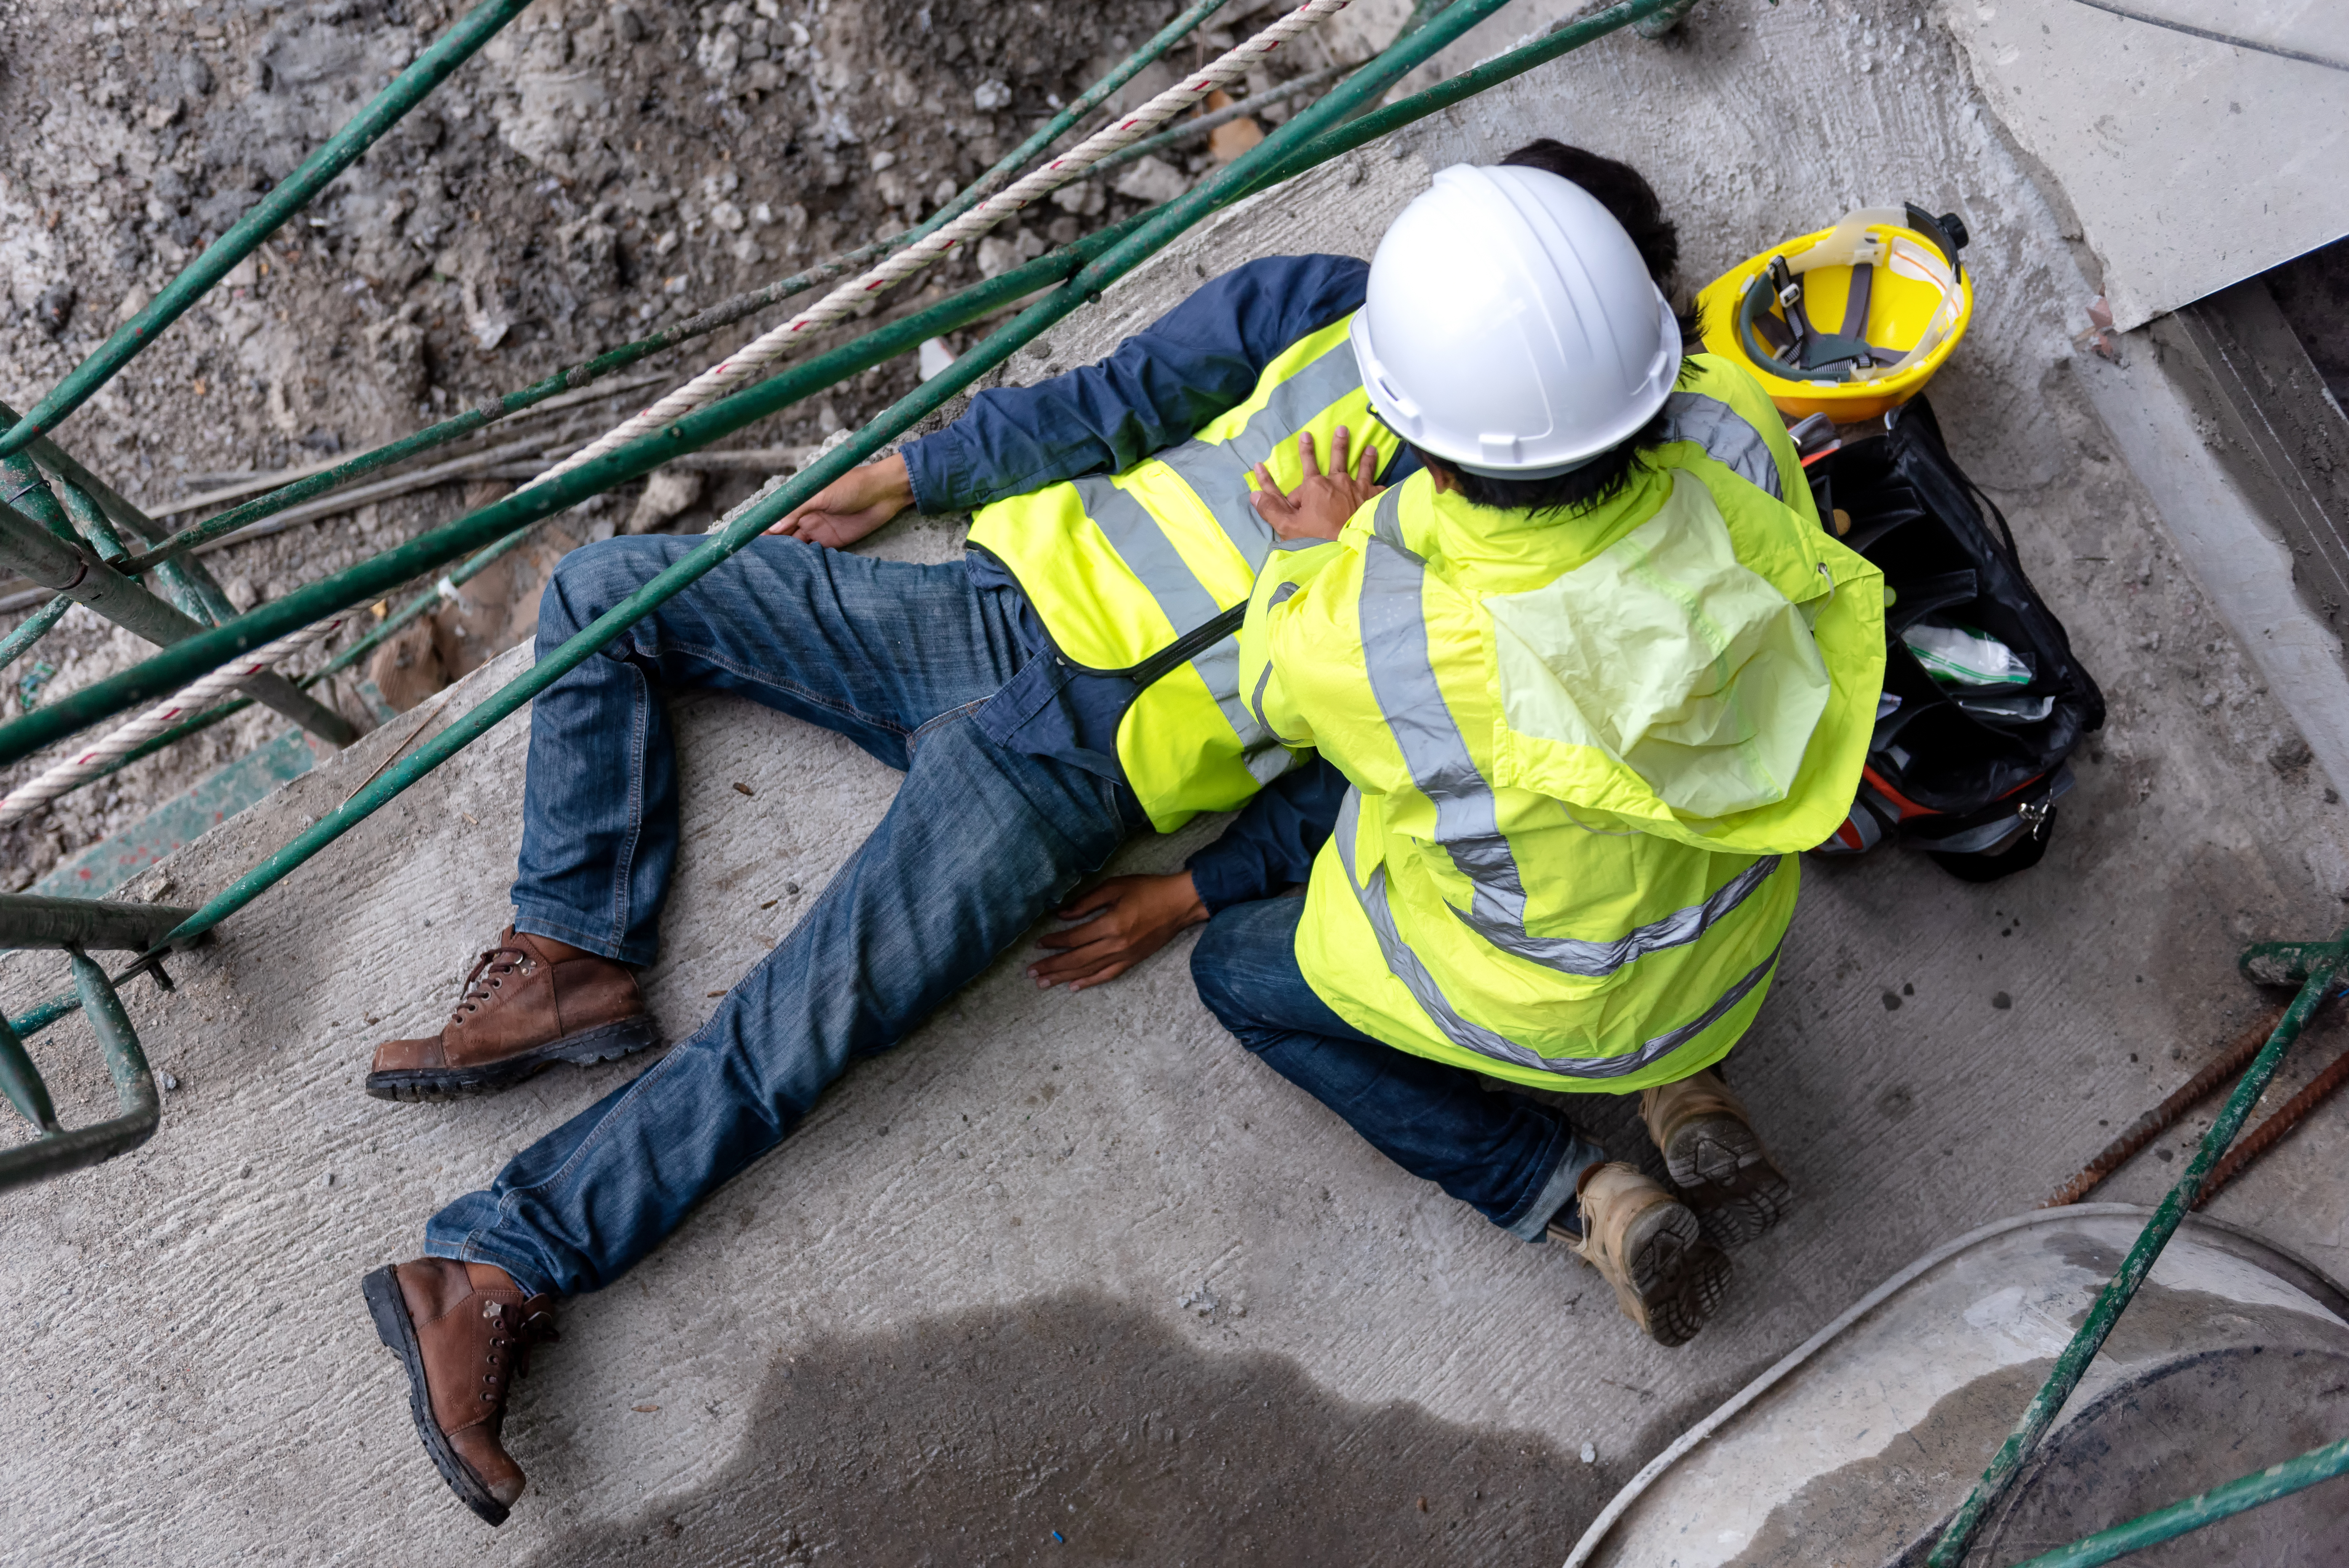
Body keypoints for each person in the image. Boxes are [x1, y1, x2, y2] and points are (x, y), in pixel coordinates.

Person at [355, 140, 1811, 1527]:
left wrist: (1192, 889)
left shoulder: (1508, 558)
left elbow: (1383, 782)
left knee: (785, 1035)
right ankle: (573, 954)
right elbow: (1121, 396)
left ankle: (494, 1264)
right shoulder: (1324, 306)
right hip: (988, 612)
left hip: (1072, 777)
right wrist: (916, 473)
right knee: (609, 595)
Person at [1184, 159, 1887, 1346]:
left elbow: (1273, 694)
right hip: (1732, 941)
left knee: (1236, 977)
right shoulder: (1739, 426)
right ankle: (1683, 1090)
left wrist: (1315, 549)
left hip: (1537, 1002)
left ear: (1424, 447)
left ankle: (1588, 1198)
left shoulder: (1378, 618)